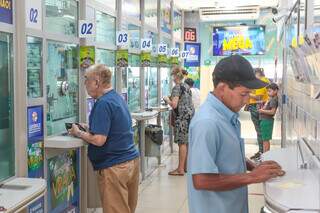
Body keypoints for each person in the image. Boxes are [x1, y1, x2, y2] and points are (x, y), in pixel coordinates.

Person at [187, 55, 284, 213]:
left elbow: (227, 155)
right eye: (243, 94)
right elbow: (201, 180)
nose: (246, 101)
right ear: (222, 88)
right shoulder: (207, 123)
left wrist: (254, 167)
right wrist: (253, 177)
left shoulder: (228, 115)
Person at [69, 64, 140, 213]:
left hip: (114, 167)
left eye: (86, 79)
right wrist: (89, 128)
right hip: (130, 162)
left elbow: (99, 140)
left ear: (97, 81)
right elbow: (114, 127)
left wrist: (79, 133)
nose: (84, 84)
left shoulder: (103, 103)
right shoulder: (116, 97)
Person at [163, 66, 194, 176]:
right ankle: (186, 166)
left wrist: (167, 99)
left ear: (175, 76)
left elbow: (174, 104)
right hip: (189, 117)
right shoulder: (186, 86)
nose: (172, 78)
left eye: (172, 75)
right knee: (187, 142)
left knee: (182, 143)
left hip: (182, 118)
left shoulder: (177, 87)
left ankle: (180, 169)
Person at [247, 68, 270, 160]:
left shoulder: (262, 81)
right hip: (258, 106)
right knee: (260, 131)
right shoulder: (264, 81)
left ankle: (262, 153)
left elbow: (258, 96)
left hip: (258, 107)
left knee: (260, 131)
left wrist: (246, 93)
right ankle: (261, 152)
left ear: (257, 74)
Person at [259, 83, 279, 153]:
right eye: (267, 91)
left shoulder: (274, 100)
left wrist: (262, 111)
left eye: (269, 91)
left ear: (276, 91)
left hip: (267, 121)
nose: (268, 93)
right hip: (265, 121)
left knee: (266, 140)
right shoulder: (271, 99)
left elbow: (272, 112)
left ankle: (266, 156)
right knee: (265, 140)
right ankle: (265, 155)